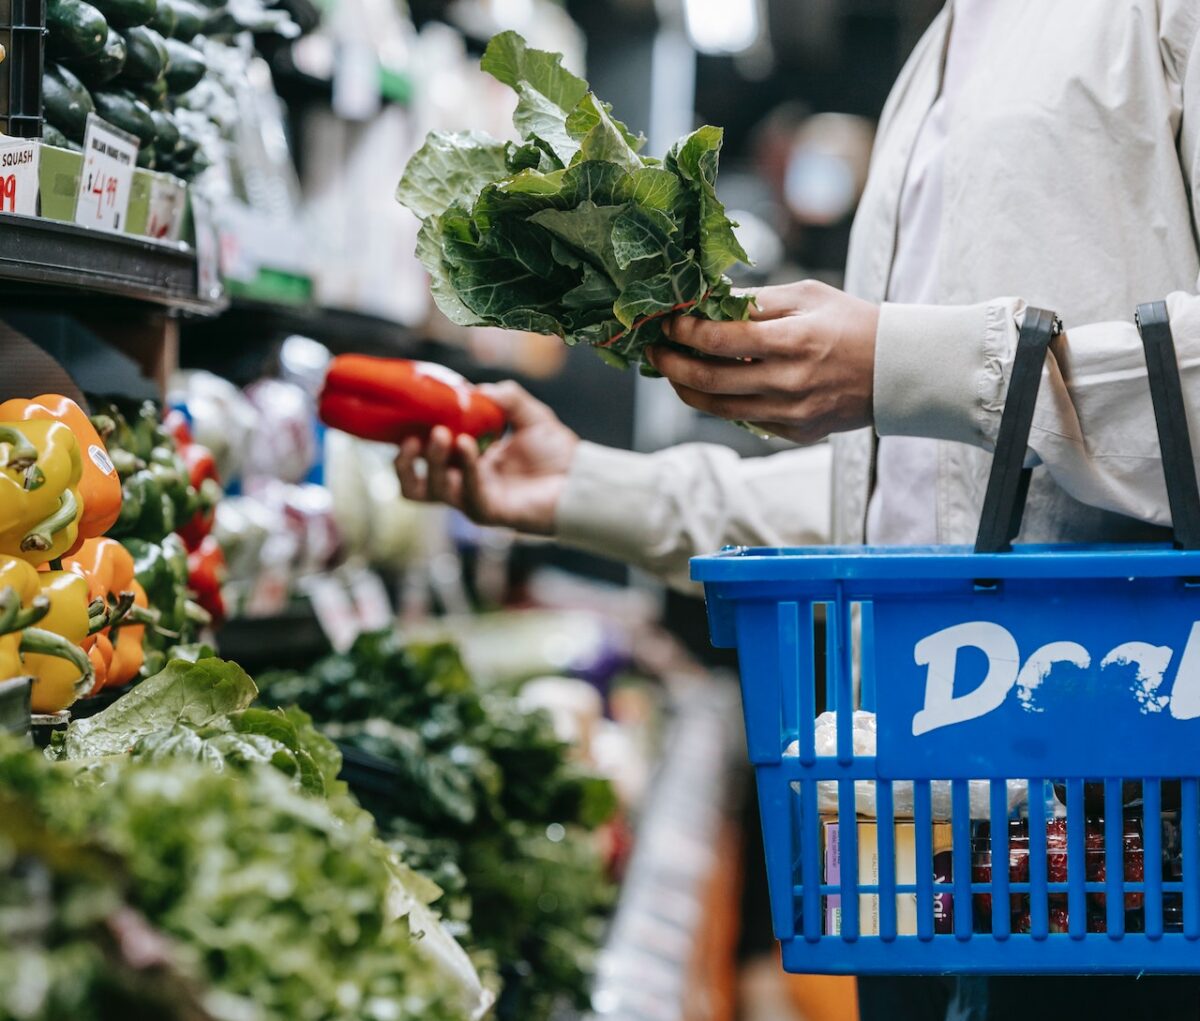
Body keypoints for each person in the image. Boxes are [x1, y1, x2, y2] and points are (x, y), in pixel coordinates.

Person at [399, 1, 1200, 1017]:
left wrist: (904, 364)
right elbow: (934, 505)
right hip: (954, 870)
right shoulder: (951, 45)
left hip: (1144, 870)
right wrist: (581, 485)